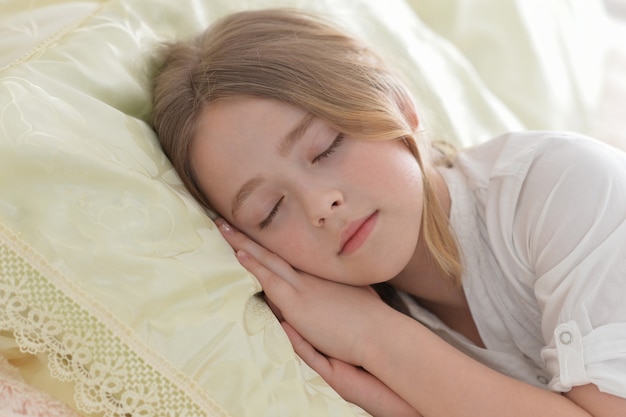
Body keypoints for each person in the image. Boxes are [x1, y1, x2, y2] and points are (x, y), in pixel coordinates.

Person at [151, 8, 626, 417]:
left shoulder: (565, 186)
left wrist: (377, 339)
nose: (321, 205)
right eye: (270, 211)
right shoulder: (321, 335)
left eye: (326, 147)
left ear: (397, 103)